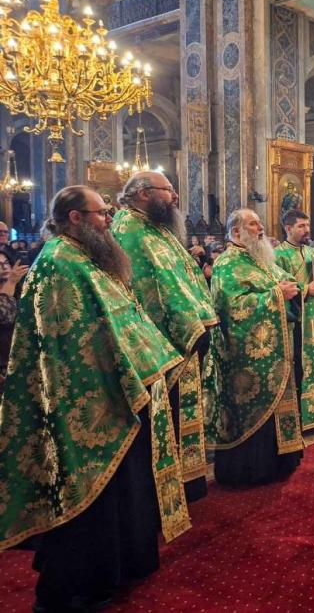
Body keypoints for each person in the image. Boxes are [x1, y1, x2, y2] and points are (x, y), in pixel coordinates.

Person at [0, 186, 190, 611]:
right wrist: (132, 371)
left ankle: (116, 568)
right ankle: (76, 588)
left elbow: (123, 315)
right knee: (87, 498)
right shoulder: (58, 263)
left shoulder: (86, 257)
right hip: (84, 399)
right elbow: (69, 339)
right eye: (102, 212)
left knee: (118, 492)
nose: (109, 219)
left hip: (117, 391)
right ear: (74, 217)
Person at [112, 171, 219, 501]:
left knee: (181, 412)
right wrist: (190, 326)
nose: (175, 197)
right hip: (160, 344)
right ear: (143, 193)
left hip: (185, 335)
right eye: (168, 190)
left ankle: (187, 481)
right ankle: (165, 491)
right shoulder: (129, 229)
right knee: (164, 418)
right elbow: (154, 288)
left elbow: (183, 278)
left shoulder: (156, 228)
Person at [207, 209, 304, 485]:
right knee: (251, 407)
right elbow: (232, 306)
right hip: (244, 356)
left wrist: (293, 288)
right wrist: (276, 295)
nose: (260, 227)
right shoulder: (227, 263)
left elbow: (287, 280)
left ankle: (278, 464)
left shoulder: (260, 259)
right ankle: (250, 471)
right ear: (236, 232)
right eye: (253, 224)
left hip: (274, 352)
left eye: (260, 222)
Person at [275, 209, 314, 431]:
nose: (307, 230)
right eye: (301, 226)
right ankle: (298, 420)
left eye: (308, 225)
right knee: (297, 367)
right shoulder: (278, 255)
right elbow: (278, 287)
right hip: (294, 321)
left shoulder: (312, 252)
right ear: (288, 228)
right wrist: (305, 289)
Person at [0, 248, 28, 389]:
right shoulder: (11, 286)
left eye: (6, 263)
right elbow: (5, 315)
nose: (4, 267)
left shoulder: (20, 290)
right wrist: (11, 282)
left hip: (19, 359)